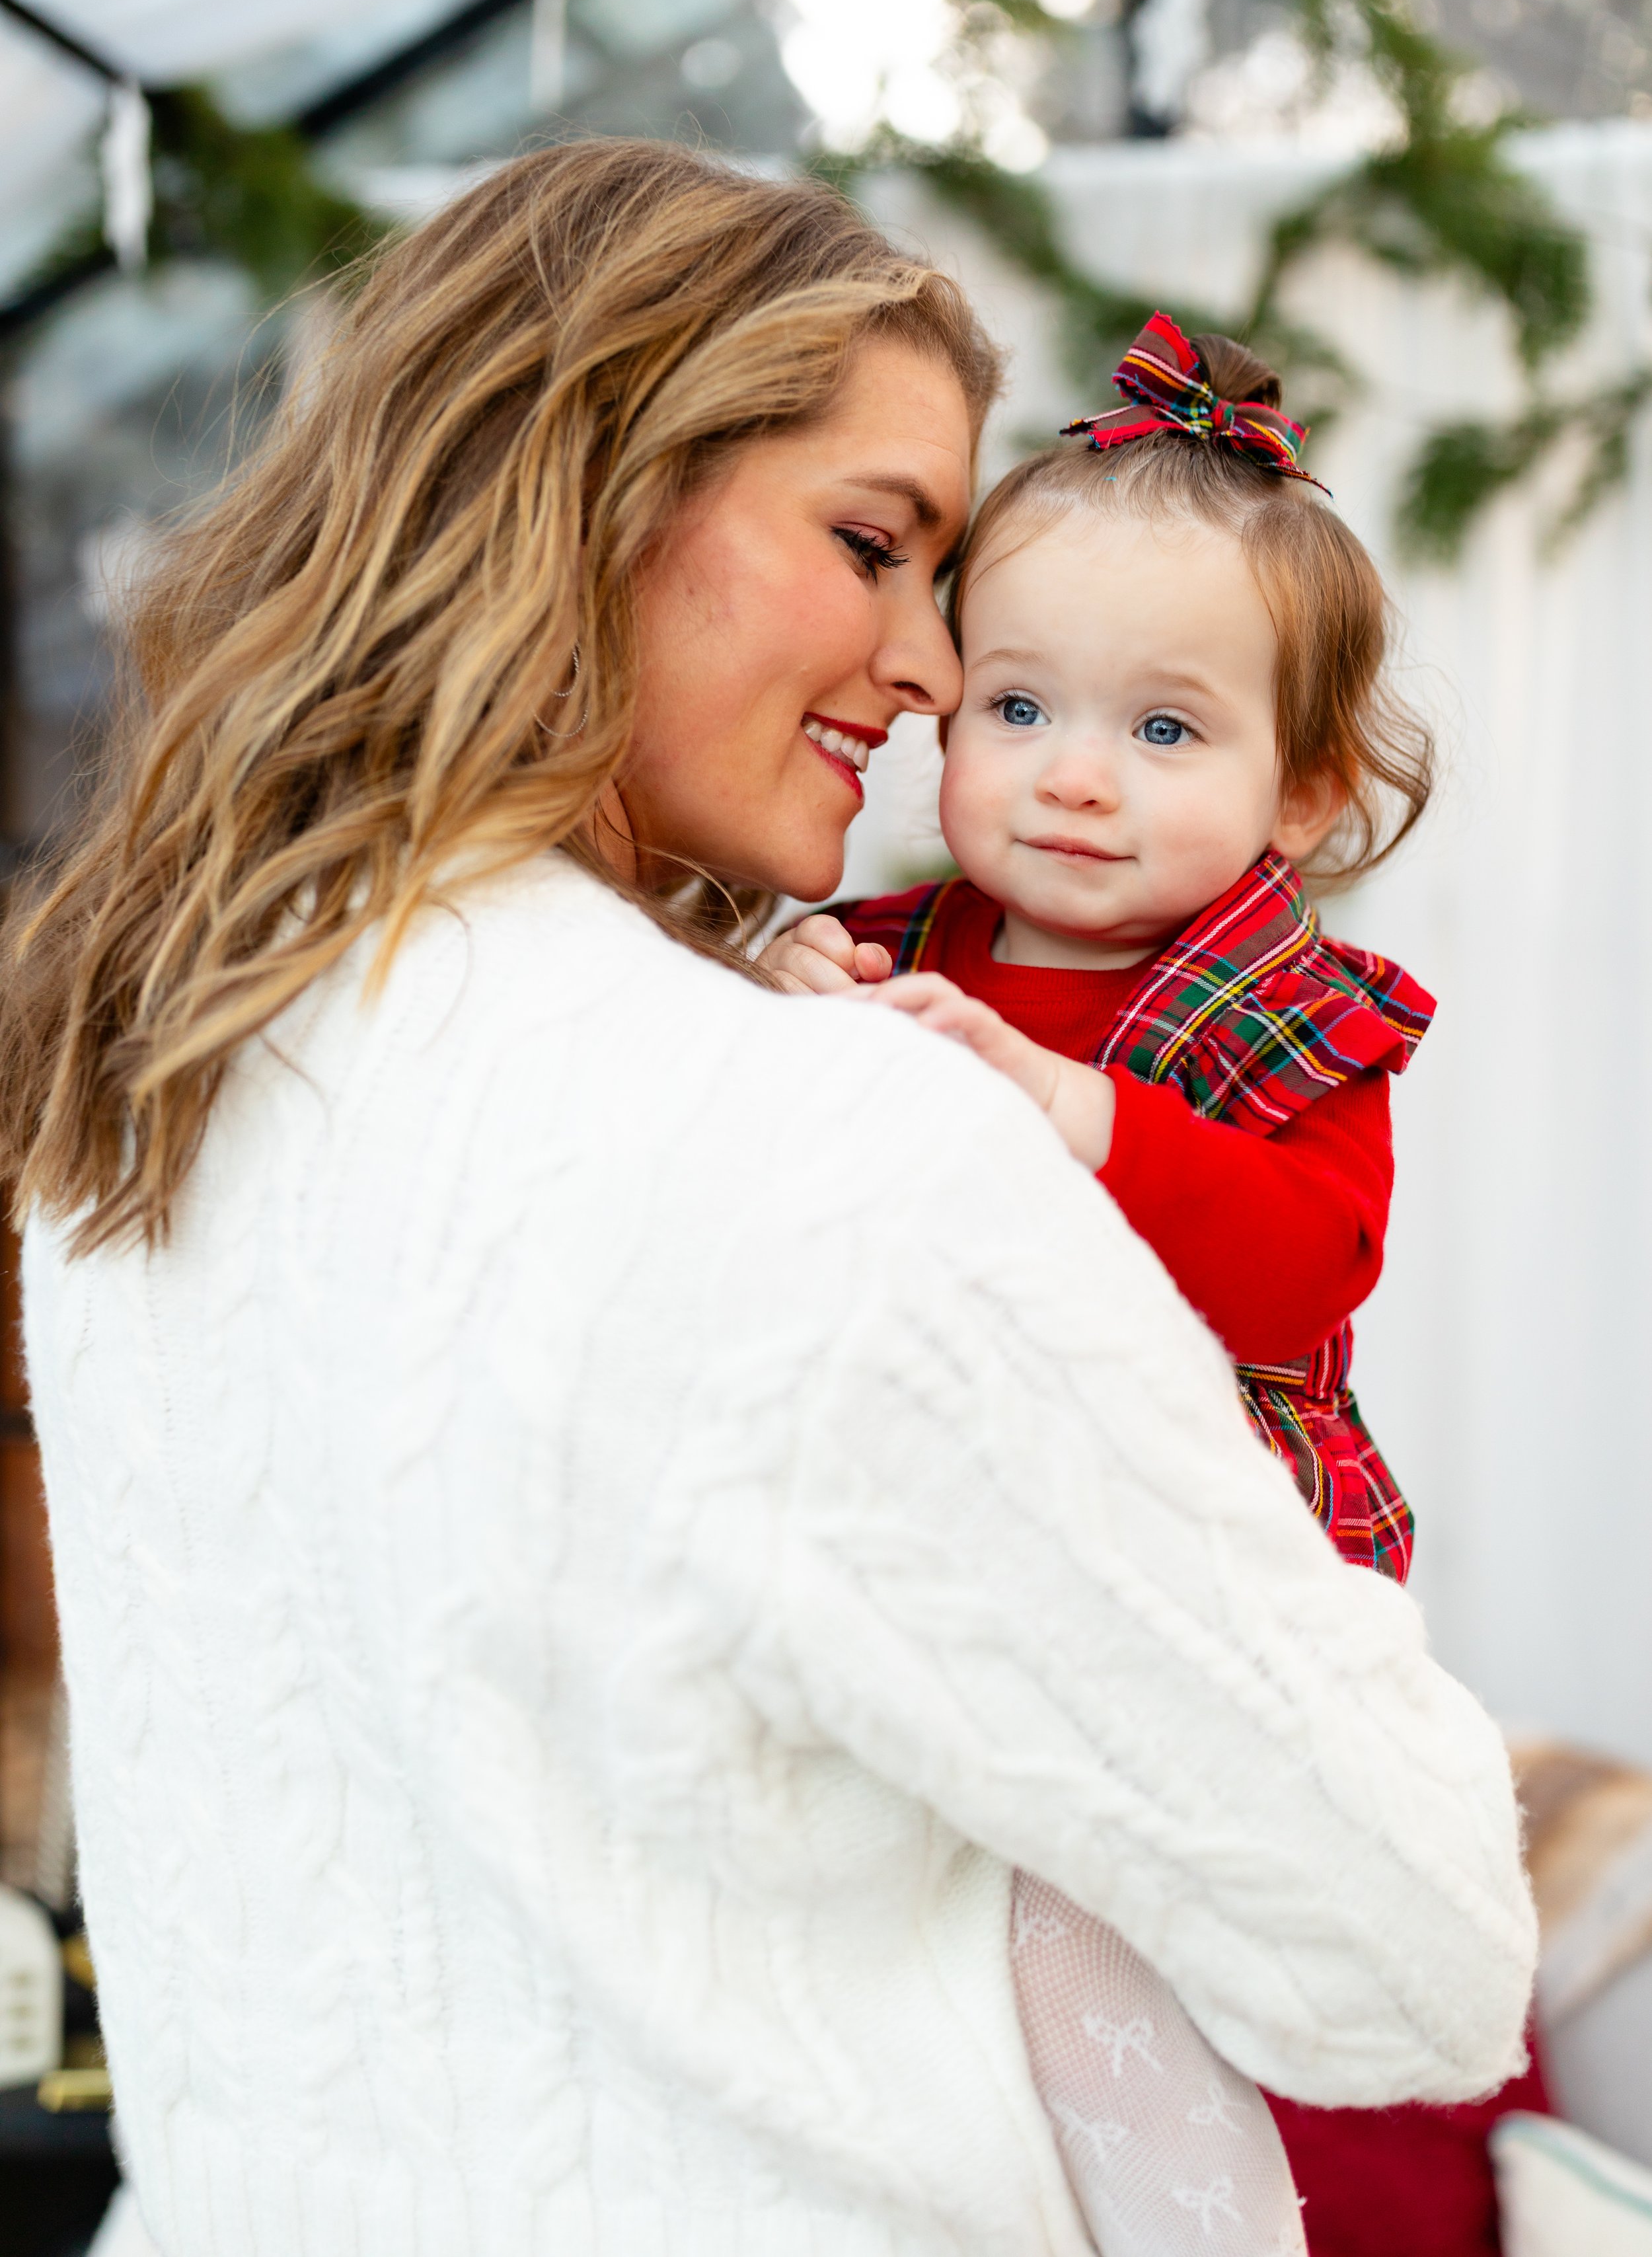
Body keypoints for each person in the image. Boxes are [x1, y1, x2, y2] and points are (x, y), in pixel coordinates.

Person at [2, 147, 1534, 2257]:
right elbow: (1416, 1952)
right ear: (584, 498)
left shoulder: (147, 1081)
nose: (933, 669)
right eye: (870, 543)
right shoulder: (828, 1154)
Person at [760, 313, 1439, 2253]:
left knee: (1112, 2002)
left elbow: (1306, 1273)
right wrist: (775, 1000)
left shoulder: (1297, 1024)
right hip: (924, 1558)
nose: (1073, 778)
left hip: (1191, 1574)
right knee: (905, 1998)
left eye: (1163, 731)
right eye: (1018, 707)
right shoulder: (875, 953)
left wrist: (1081, 1112)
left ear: (1300, 793)